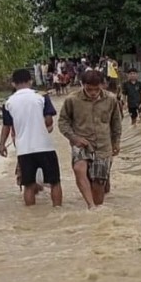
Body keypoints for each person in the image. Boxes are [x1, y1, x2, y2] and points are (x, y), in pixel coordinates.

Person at [58, 69, 122, 209]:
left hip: (103, 146)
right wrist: (73, 138)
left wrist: (116, 142)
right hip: (81, 142)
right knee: (78, 168)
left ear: (102, 85)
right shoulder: (72, 100)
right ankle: (90, 206)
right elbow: (63, 122)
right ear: (82, 85)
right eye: (89, 89)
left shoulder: (111, 99)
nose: (93, 93)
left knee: (99, 185)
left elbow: (116, 123)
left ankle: (97, 205)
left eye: (96, 89)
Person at [0, 68, 62, 207]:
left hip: (24, 150)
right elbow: (49, 122)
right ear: (31, 81)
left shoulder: (8, 102)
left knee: (28, 185)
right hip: (45, 147)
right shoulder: (42, 96)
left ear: (13, 84)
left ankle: (30, 215)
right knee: (54, 182)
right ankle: (58, 210)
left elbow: (6, 126)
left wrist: (2, 145)